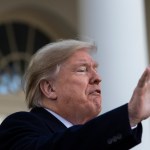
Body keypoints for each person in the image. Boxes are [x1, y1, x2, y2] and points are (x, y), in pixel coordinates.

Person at [0, 39, 150, 150]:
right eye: (82, 70)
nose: (97, 78)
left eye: (95, 69)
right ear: (50, 88)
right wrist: (128, 116)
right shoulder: (20, 126)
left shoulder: (101, 140)